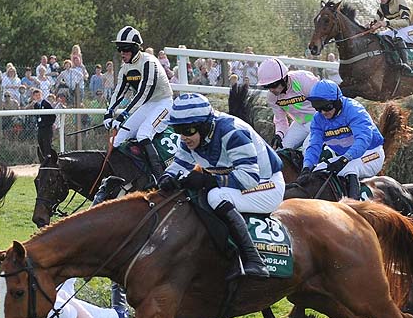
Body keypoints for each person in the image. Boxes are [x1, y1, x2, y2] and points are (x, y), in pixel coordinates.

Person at [158, 93, 284, 279]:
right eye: (178, 130)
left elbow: (249, 178)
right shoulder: (190, 138)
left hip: (266, 185)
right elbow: (179, 165)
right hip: (239, 183)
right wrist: (167, 178)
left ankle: (255, 260)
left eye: (188, 130)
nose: (183, 137)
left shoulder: (232, 132)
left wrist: (208, 181)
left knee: (216, 196)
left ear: (204, 126)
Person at [105, 26, 173, 182]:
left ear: (135, 48)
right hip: (147, 105)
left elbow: (143, 93)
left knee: (143, 134)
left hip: (163, 103)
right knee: (117, 140)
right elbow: (119, 92)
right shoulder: (125, 68)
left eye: (125, 49)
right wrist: (109, 112)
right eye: (119, 49)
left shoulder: (149, 62)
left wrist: (123, 115)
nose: (122, 53)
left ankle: (160, 177)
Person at [300, 79, 385, 200]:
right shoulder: (318, 119)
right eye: (318, 108)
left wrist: (344, 159)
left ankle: (354, 206)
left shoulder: (354, 110)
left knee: (349, 168)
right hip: (346, 157)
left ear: (337, 102)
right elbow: (314, 145)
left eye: (327, 107)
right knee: (317, 171)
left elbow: (363, 140)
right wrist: (307, 167)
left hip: (371, 153)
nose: (323, 112)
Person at [257, 57, 318, 151]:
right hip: (300, 123)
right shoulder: (272, 97)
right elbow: (280, 120)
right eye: (267, 87)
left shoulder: (304, 81)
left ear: (284, 78)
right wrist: (279, 134)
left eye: (274, 85)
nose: (272, 90)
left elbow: (325, 101)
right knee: (281, 150)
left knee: (307, 149)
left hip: (319, 121)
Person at [369, 0, 413, 75]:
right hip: (399, 29)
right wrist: (370, 26)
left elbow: (406, 22)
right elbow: (375, 21)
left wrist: (386, 23)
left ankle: (405, 64)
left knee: (399, 37)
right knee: (380, 36)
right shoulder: (383, 5)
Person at [28, 88, 56, 159]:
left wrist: (49, 124)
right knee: (40, 141)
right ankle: (45, 157)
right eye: (36, 95)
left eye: (39, 95)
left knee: (47, 143)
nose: (37, 97)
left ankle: (49, 158)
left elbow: (53, 115)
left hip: (47, 127)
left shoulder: (46, 104)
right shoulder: (36, 105)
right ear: (33, 97)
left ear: (41, 95)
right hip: (40, 127)